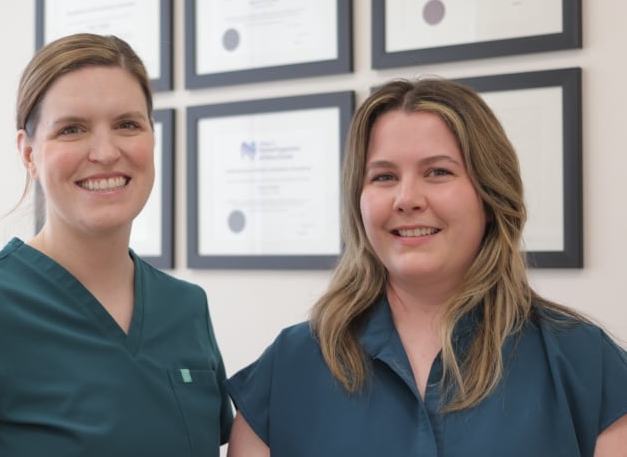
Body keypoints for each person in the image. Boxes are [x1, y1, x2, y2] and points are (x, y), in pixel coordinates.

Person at [0, 33, 233, 456]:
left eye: (127, 124)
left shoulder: (186, 308)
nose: (105, 151)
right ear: (29, 154)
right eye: (72, 129)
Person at [225, 78, 627, 456]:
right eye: (383, 176)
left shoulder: (587, 365)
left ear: (490, 196)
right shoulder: (287, 370)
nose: (407, 198)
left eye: (438, 172)